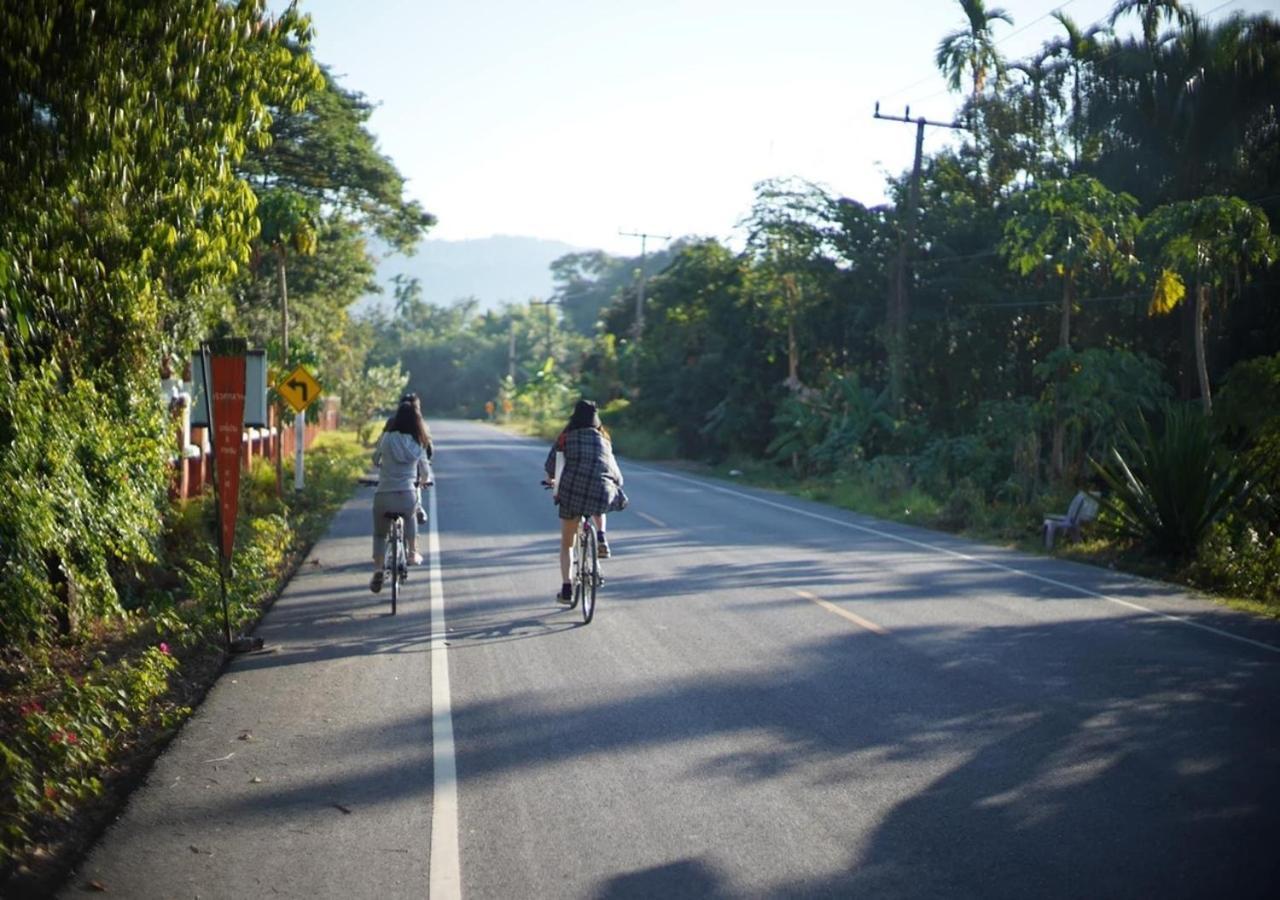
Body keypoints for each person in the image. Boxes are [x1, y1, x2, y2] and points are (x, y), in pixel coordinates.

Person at [543, 399, 627, 604]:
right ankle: (601, 536)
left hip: (572, 492)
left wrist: (551, 480)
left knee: (567, 544)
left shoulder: (566, 438)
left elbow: (551, 466)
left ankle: (566, 589)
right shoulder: (604, 439)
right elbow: (618, 477)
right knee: (598, 498)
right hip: (601, 493)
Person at [370, 400, 432, 593]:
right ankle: (412, 553)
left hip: (384, 494)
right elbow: (424, 471)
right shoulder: (418, 442)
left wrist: (384, 466)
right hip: (407, 493)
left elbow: (375, 459)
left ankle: (379, 569)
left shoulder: (387, 438)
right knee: (411, 514)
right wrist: (423, 480)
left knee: (380, 534)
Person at [383, 392, 433, 523]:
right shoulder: (420, 423)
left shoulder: (391, 423)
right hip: (412, 468)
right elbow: (428, 447)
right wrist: (427, 461)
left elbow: (382, 444)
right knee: (416, 481)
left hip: (390, 469)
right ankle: (418, 509)